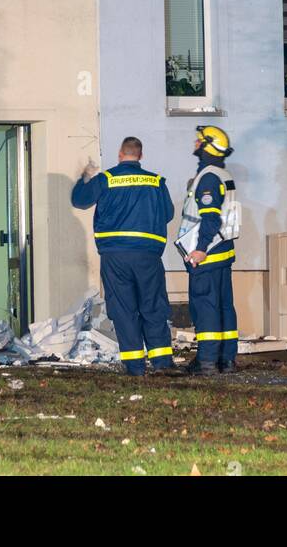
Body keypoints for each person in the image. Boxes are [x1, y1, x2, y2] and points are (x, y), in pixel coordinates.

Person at [71, 136, 175, 376]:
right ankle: (162, 363)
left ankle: (135, 366)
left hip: (115, 255)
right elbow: (167, 214)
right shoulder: (156, 181)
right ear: (141, 155)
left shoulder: (106, 179)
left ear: (120, 154)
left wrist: (85, 176)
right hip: (149, 255)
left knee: (123, 308)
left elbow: (79, 201)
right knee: (153, 305)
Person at [178, 124, 238, 377]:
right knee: (224, 308)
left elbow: (210, 218)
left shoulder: (209, 178)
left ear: (207, 146)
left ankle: (207, 362)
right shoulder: (221, 174)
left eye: (199, 140)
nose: (195, 143)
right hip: (222, 252)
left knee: (206, 308)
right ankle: (225, 360)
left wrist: (200, 249)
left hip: (208, 254)